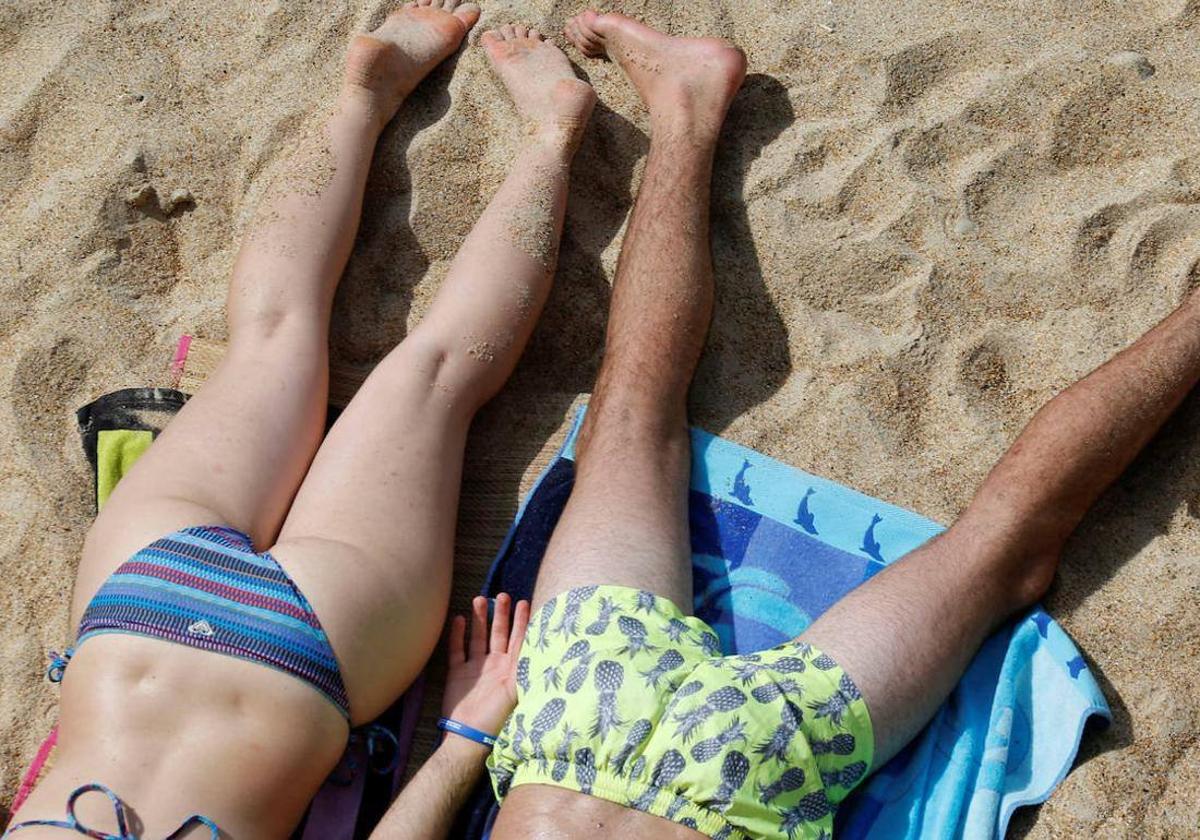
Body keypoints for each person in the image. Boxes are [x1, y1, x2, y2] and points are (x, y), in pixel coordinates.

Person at [476, 10, 1200, 840]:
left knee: (1001, 550)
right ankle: (684, 111)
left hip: (736, 792)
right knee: (633, 416)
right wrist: (466, 737)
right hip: (581, 720)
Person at [4, 2, 596, 836]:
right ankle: (365, 93)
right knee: (272, 335)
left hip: (301, 654)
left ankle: (550, 135)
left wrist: (466, 736)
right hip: (135, 607)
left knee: (432, 377)